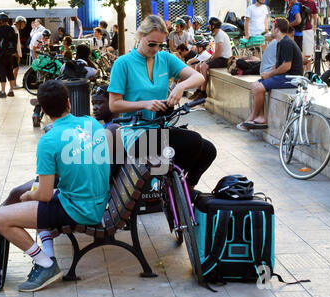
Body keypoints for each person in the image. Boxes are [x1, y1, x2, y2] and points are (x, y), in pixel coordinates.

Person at [0, 80, 111, 292]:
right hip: (98, 201)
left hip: (80, 210)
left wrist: (29, 196)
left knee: (0, 218)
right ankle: (49, 255)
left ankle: (45, 264)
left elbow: (44, 194)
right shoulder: (91, 123)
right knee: (40, 206)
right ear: (69, 102)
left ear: (44, 110)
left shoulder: (49, 141)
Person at [107, 15, 216, 190]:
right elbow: (114, 105)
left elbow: (199, 77)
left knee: (209, 150)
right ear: (140, 36)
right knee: (193, 140)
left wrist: (181, 87)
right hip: (135, 133)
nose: (156, 49)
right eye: (152, 44)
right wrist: (144, 104)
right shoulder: (123, 63)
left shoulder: (164, 58)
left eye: (160, 45)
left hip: (159, 128)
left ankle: (186, 190)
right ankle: (172, 186)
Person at [237, 18, 303, 131]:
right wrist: (267, 73)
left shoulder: (286, 43)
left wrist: (270, 74)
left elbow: (286, 66)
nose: (270, 30)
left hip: (291, 78)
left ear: (277, 29)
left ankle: (252, 117)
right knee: (254, 85)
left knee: (258, 88)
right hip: (283, 76)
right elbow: (277, 65)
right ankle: (261, 117)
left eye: (271, 28)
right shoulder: (280, 43)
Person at [191, 17, 232, 100]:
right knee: (198, 65)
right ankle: (198, 90)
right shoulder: (218, 34)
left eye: (210, 25)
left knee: (203, 66)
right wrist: (210, 59)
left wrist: (210, 59)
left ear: (213, 26)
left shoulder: (219, 35)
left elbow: (218, 52)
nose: (208, 26)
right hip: (220, 58)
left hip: (224, 59)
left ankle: (203, 92)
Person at [0, 14, 17, 98]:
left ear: (1, 21)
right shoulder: (11, 29)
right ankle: (11, 91)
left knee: (2, 72)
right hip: (10, 54)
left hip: (1, 55)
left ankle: (3, 92)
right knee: (10, 72)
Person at [299, 0, 318, 71]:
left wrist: (314, 28)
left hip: (308, 31)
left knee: (308, 54)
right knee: (299, 55)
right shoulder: (296, 2)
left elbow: (315, 16)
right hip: (297, 31)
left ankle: (308, 74)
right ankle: (301, 74)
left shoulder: (312, 3)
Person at [12, 16, 27, 89]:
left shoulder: (16, 29)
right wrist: (16, 53)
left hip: (16, 53)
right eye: (24, 23)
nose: (24, 25)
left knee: (16, 68)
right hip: (14, 53)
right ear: (20, 22)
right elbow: (13, 43)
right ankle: (13, 84)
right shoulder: (14, 29)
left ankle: (14, 84)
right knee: (16, 68)